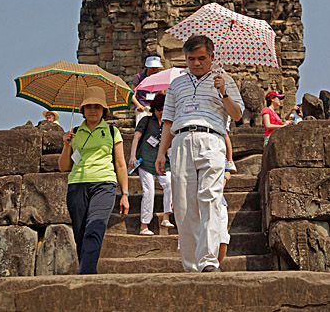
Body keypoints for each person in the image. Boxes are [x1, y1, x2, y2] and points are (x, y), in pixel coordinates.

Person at [155, 34, 244, 272]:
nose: (196, 63)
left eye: (202, 58)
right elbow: (167, 121)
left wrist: (223, 92)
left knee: (210, 198)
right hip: (181, 140)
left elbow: (237, 115)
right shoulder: (176, 85)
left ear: (212, 57)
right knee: (183, 206)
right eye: (191, 58)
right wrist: (161, 152)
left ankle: (208, 261)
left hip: (212, 139)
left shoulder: (224, 80)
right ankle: (191, 265)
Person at [58, 87, 129, 274]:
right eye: (88, 106)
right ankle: (87, 271)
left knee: (94, 228)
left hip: (104, 183)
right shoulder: (74, 132)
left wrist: (125, 194)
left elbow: (121, 165)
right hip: (77, 184)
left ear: (103, 109)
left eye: (97, 106)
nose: (92, 110)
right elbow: (64, 167)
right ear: (82, 109)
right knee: (80, 234)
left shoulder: (113, 132)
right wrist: (66, 146)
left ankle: (86, 273)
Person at [128, 93, 174, 235]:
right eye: (159, 108)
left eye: (164, 108)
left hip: (162, 161)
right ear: (154, 108)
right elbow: (136, 138)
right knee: (149, 191)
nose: (161, 111)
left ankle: (166, 216)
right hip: (145, 160)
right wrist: (132, 156)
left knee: (170, 183)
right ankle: (144, 225)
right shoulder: (146, 121)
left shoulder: (169, 124)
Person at [132, 55, 163, 125]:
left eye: (156, 67)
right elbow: (132, 93)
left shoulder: (160, 76)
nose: (155, 69)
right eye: (153, 67)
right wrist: (138, 105)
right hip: (143, 108)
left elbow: (162, 93)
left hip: (156, 108)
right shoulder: (139, 77)